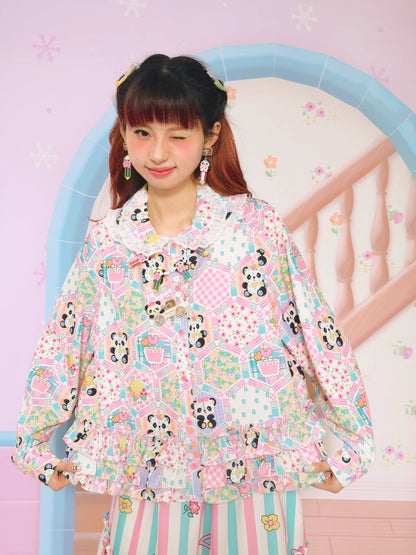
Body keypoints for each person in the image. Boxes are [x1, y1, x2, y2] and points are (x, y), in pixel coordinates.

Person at [12, 54, 375, 555]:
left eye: (178, 135)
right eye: (142, 132)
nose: (158, 152)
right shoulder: (110, 242)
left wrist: (353, 444)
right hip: (147, 466)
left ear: (210, 135)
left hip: (251, 459)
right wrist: (34, 446)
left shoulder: (254, 228)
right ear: (125, 135)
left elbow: (314, 329)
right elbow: (64, 341)